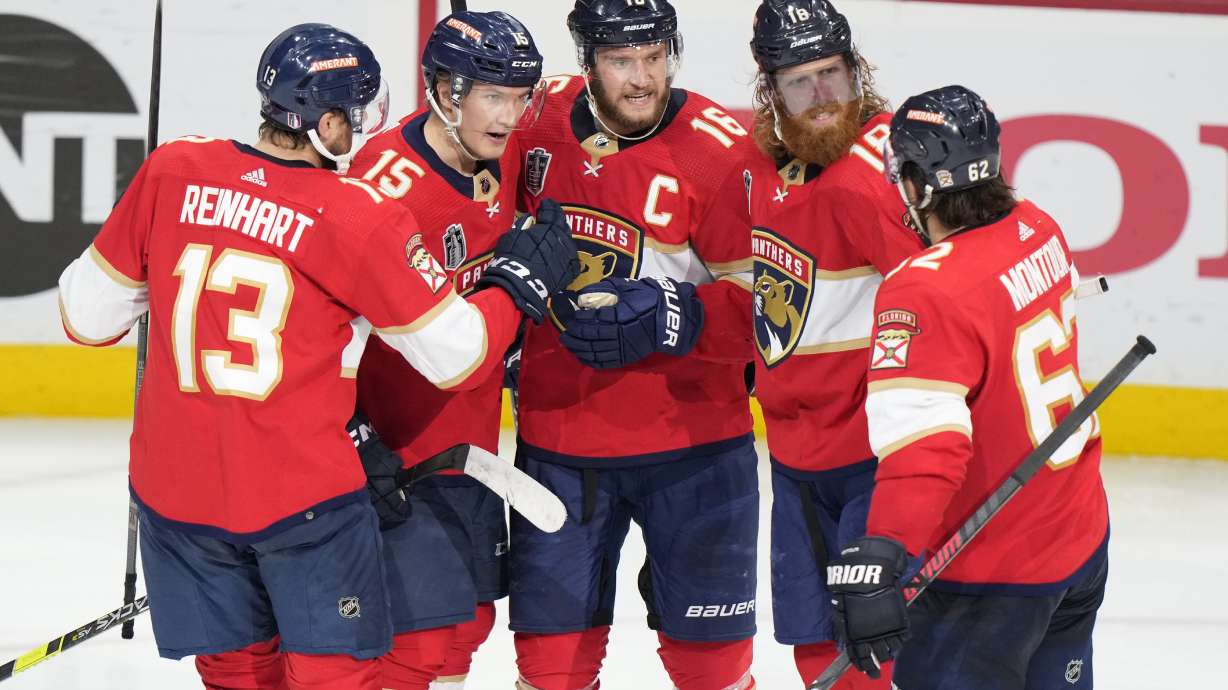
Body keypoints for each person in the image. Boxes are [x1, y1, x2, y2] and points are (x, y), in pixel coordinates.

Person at [56, 23, 577, 690]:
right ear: (327, 122)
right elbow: (460, 357)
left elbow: (84, 317)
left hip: (174, 499)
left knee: (239, 677)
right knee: (338, 678)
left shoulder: (173, 168)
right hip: (300, 498)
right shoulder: (355, 214)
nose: (365, 133)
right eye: (356, 117)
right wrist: (514, 283)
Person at [506, 1, 761, 689]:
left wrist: (676, 314)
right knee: (550, 669)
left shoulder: (720, 150)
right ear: (586, 62)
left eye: (655, 57)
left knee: (711, 671)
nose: (643, 79)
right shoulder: (533, 120)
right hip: (559, 444)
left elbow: (770, 313)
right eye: (622, 61)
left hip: (696, 450)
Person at [826, 85, 1108, 690]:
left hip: (989, 576)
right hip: (1078, 540)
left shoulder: (920, 290)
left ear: (916, 185)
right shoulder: (1039, 226)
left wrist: (884, 555)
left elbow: (928, 449)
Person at [345, 11, 545, 690]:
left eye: (521, 97)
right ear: (445, 90)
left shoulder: (501, 150)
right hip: (393, 452)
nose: (510, 115)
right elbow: (325, 320)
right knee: (415, 639)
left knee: (466, 626)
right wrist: (347, 429)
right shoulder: (382, 183)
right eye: (494, 95)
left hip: (471, 445)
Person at [743, 2, 922, 687]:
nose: (822, 97)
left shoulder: (878, 174)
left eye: (833, 74)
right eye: (800, 81)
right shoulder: (759, 164)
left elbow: (942, 300)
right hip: (793, 457)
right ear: (771, 90)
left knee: (874, 643)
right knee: (814, 643)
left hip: (872, 460)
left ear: (857, 72)